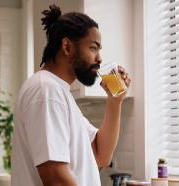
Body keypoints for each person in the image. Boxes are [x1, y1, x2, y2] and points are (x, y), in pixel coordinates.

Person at [11, 4, 131, 186]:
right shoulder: (46, 91)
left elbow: (101, 155)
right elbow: (55, 178)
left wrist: (115, 101)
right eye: (93, 48)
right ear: (67, 46)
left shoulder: (58, 92)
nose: (99, 58)